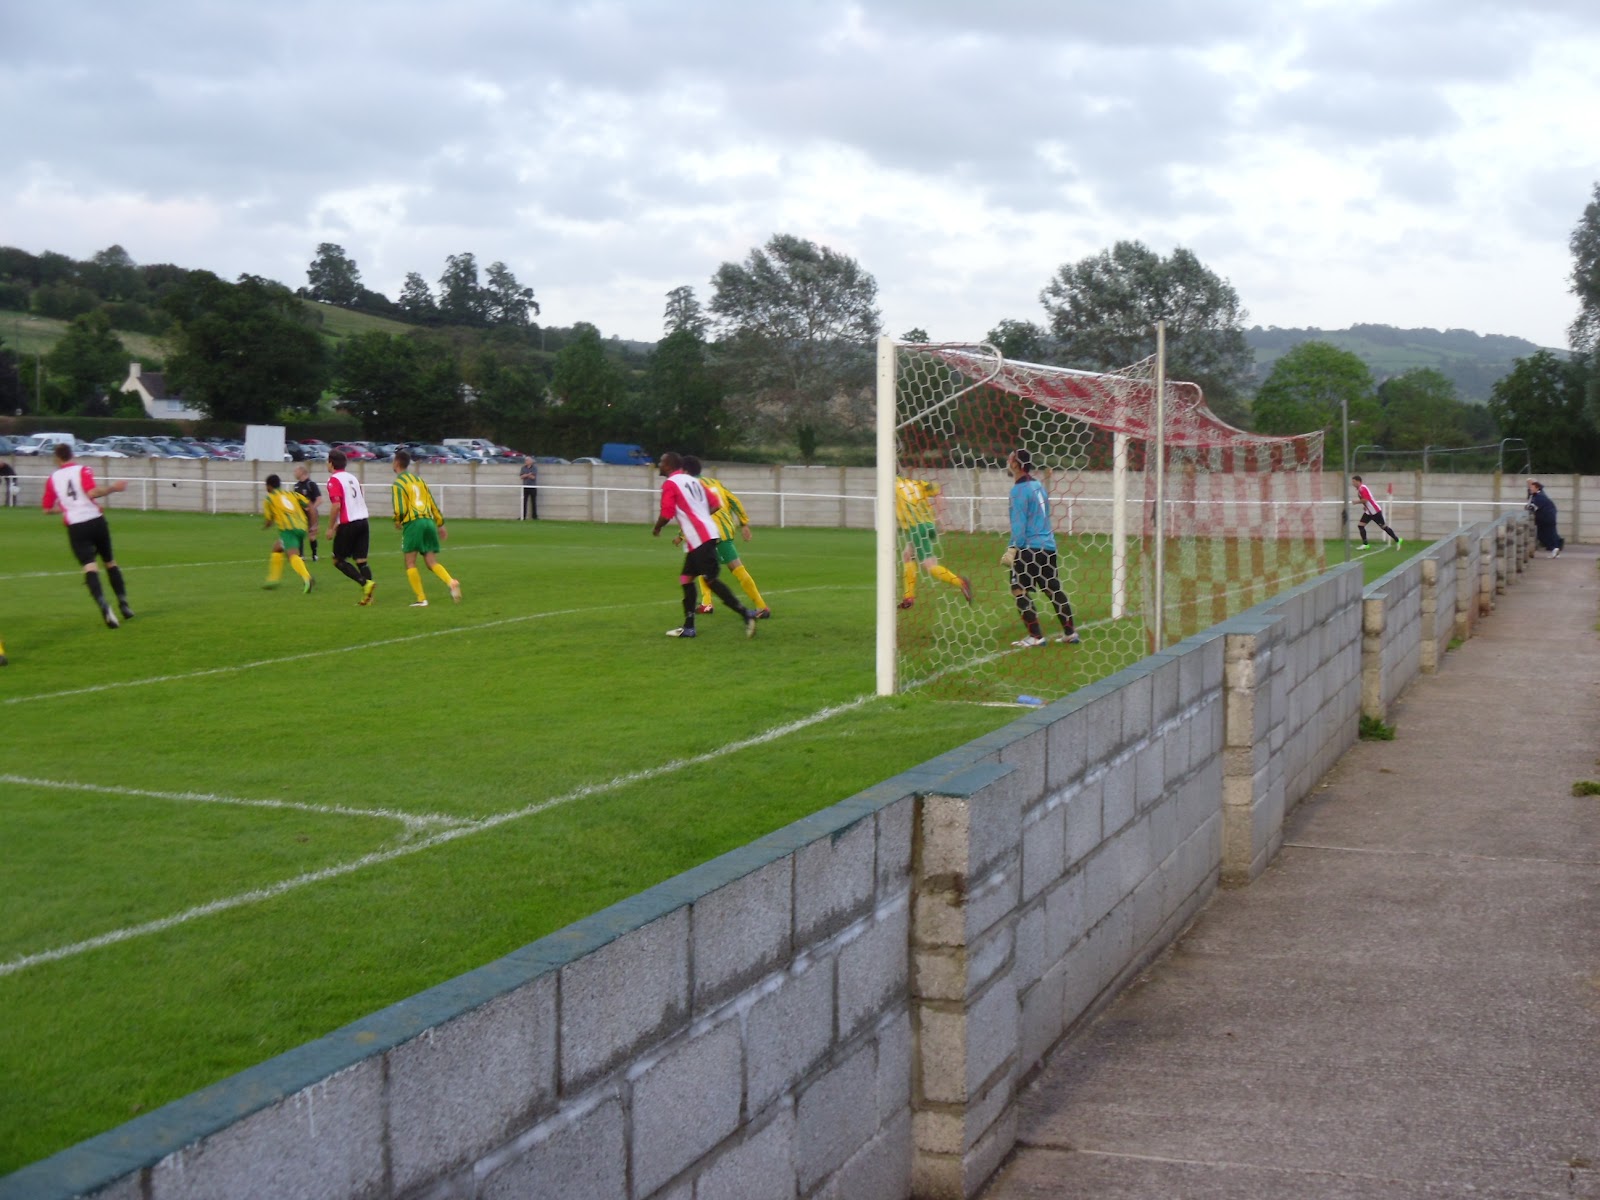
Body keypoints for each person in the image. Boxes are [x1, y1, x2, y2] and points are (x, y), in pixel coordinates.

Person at [651, 451, 757, 639]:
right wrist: (700, 516)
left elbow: (666, 513)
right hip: (702, 536)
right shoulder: (694, 481)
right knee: (686, 579)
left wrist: (657, 528)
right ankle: (689, 626)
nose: (659, 464)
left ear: (668, 465)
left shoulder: (670, 484)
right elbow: (715, 504)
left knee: (710, 580)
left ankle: (746, 614)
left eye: (661, 461)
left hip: (700, 538)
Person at [40, 441, 133, 629]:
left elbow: (47, 509)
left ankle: (104, 607)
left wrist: (67, 508)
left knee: (90, 568)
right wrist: (114, 488)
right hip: (95, 521)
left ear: (57, 458)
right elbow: (92, 492)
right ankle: (123, 603)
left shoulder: (53, 478)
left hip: (76, 526)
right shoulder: (83, 470)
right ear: (71, 455)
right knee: (110, 562)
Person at [1002, 448, 1078, 648]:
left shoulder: (1018, 490)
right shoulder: (1038, 486)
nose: (1007, 462)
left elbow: (1019, 525)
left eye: (1010, 459)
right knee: (1053, 590)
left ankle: (1036, 637)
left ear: (1017, 464)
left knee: (1018, 589)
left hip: (1029, 548)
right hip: (1048, 547)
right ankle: (1070, 633)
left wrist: (1012, 548)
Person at [682, 455, 770, 619]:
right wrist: (744, 523)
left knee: (736, 568)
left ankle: (761, 606)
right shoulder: (714, 482)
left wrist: (682, 534)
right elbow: (734, 500)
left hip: (714, 534)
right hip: (722, 530)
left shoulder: (692, 486)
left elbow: (694, 513)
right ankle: (707, 603)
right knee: (702, 566)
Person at [391, 450, 462, 607]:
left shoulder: (398, 483)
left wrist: (397, 521)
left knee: (410, 562)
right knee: (431, 561)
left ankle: (421, 598)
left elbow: (400, 509)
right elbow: (432, 503)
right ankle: (451, 582)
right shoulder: (419, 480)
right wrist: (440, 524)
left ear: (396, 463)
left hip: (414, 523)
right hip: (429, 521)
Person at [895, 476, 972, 609]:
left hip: (916, 527)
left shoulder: (892, 485)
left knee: (929, 565)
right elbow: (938, 490)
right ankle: (908, 597)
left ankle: (961, 582)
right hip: (929, 524)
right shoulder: (916, 483)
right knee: (908, 555)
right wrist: (940, 516)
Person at [323, 449, 377, 605]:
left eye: (327, 461)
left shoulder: (334, 480)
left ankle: (365, 583)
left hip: (349, 523)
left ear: (331, 463)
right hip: (363, 521)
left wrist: (330, 527)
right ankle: (368, 597)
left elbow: (336, 506)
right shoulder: (353, 478)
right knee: (361, 561)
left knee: (337, 560)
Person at [261, 474, 316, 593]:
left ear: (269, 486)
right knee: (277, 548)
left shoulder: (269, 498)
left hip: (288, 530)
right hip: (301, 527)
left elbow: (269, 520)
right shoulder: (293, 494)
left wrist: (266, 525)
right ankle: (273, 579)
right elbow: (310, 506)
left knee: (292, 555)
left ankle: (307, 578)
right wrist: (313, 525)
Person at [1352, 475, 1403, 551]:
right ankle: (1365, 544)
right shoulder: (1360, 489)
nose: (1352, 483)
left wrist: (1356, 502)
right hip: (1369, 512)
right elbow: (1367, 500)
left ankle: (1397, 540)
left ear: (1358, 481)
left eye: (1354, 482)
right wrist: (1365, 507)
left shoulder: (1362, 488)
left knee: (1384, 527)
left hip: (1375, 511)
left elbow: (1365, 499)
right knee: (1360, 525)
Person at [1526, 478, 1564, 558]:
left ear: (1537, 488)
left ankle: (1555, 549)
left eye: (1531, 487)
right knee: (1547, 535)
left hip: (1547, 518)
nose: (1530, 489)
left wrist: (1528, 507)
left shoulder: (1540, 496)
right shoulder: (1536, 495)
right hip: (1546, 518)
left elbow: (1533, 507)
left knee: (1548, 535)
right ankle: (1555, 550)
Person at [292, 464, 322, 561]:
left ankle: (314, 555)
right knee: (299, 533)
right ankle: (301, 555)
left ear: (301, 472)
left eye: (296, 471)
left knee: (312, 534)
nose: (295, 473)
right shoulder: (296, 486)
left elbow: (319, 499)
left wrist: (311, 508)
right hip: (300, 514)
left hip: (311, 514)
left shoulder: (311, 484)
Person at [520, 455, 539, 520]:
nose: (526, 461)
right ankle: (523, 516)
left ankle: (534, 516)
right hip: (525, 487)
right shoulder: (523, 468)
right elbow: (521, 477)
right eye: (526, 460)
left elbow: (533, 477)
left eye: (527, 460)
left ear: (531, 461)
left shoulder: (534, 468)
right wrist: (528, 474)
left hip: (532, 487)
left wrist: (526, 475)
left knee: (533, 502)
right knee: (524, 502)